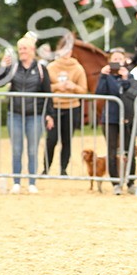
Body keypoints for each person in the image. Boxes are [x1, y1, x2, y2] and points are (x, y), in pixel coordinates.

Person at [0, 36, 52, 194]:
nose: (22, 51)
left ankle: (32, 182)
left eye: (25, 48)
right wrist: (2, 66)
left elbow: (48, 92)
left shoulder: (41, 70)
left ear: (32, 50)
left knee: (33, 149)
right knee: (16, 149)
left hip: (34, 115)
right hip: (15, 114)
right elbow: (0, 83)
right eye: (20, 48)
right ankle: (16, 182)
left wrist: (49, 114)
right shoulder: (13, 67)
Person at [95, 50, 137, 195]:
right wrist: (103, 75)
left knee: (129, 150)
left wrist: (125, 78)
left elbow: (130, 92)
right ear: (110, 61)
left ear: (124, 61)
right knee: (112, 150)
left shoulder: (130, 75)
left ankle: (130, 181)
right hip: (111, 118)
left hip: (127, 118)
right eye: (114, 59)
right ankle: (115, 183)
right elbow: (99, 93)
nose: (117, 61)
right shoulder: (106, 76)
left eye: (120, 58)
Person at [45, 43, 88, 176]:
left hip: (71, 108)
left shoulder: (78, 68)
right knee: (51, 140)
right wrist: (58, 86)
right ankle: (46, 168)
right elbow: (45, 87)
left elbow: (83, 90)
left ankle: (63, 169)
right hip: (54, 108)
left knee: (67, 140)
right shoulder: (51, 67)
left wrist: (73, 87)